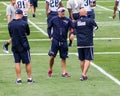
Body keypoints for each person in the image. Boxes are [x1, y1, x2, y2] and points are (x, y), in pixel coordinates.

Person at [8, 9, 34, 84]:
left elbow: (11, 35)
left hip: (15, 45)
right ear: (21, 14)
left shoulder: (10, 24)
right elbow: (28, 33)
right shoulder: (24, 23)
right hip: (24, 45)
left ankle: (19, 79)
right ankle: (29, 79)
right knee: (27, 62)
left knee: (17, 62)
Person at [47, 7, 74, 77]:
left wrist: (72, 33)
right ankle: (50, 69)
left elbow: (72, 28)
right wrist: (50, 36)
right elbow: (49, 28)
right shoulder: (54, 19)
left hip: (63, 41)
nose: (63, 13)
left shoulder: (67, 20)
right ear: (58, 12)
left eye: (63, 11)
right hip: (55, 40)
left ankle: (64, 72)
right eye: (61, 11)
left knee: (63, 57)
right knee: (52, 57)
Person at [74, 8, 98, 81]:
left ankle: (84, 74)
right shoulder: (90, 20)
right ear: (86, 13)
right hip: (88, 42)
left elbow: (74, 30)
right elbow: (96, 27)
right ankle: (84, 74)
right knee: (88, 59)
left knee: (81, 59)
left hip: (79, 42)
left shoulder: (77, 22)